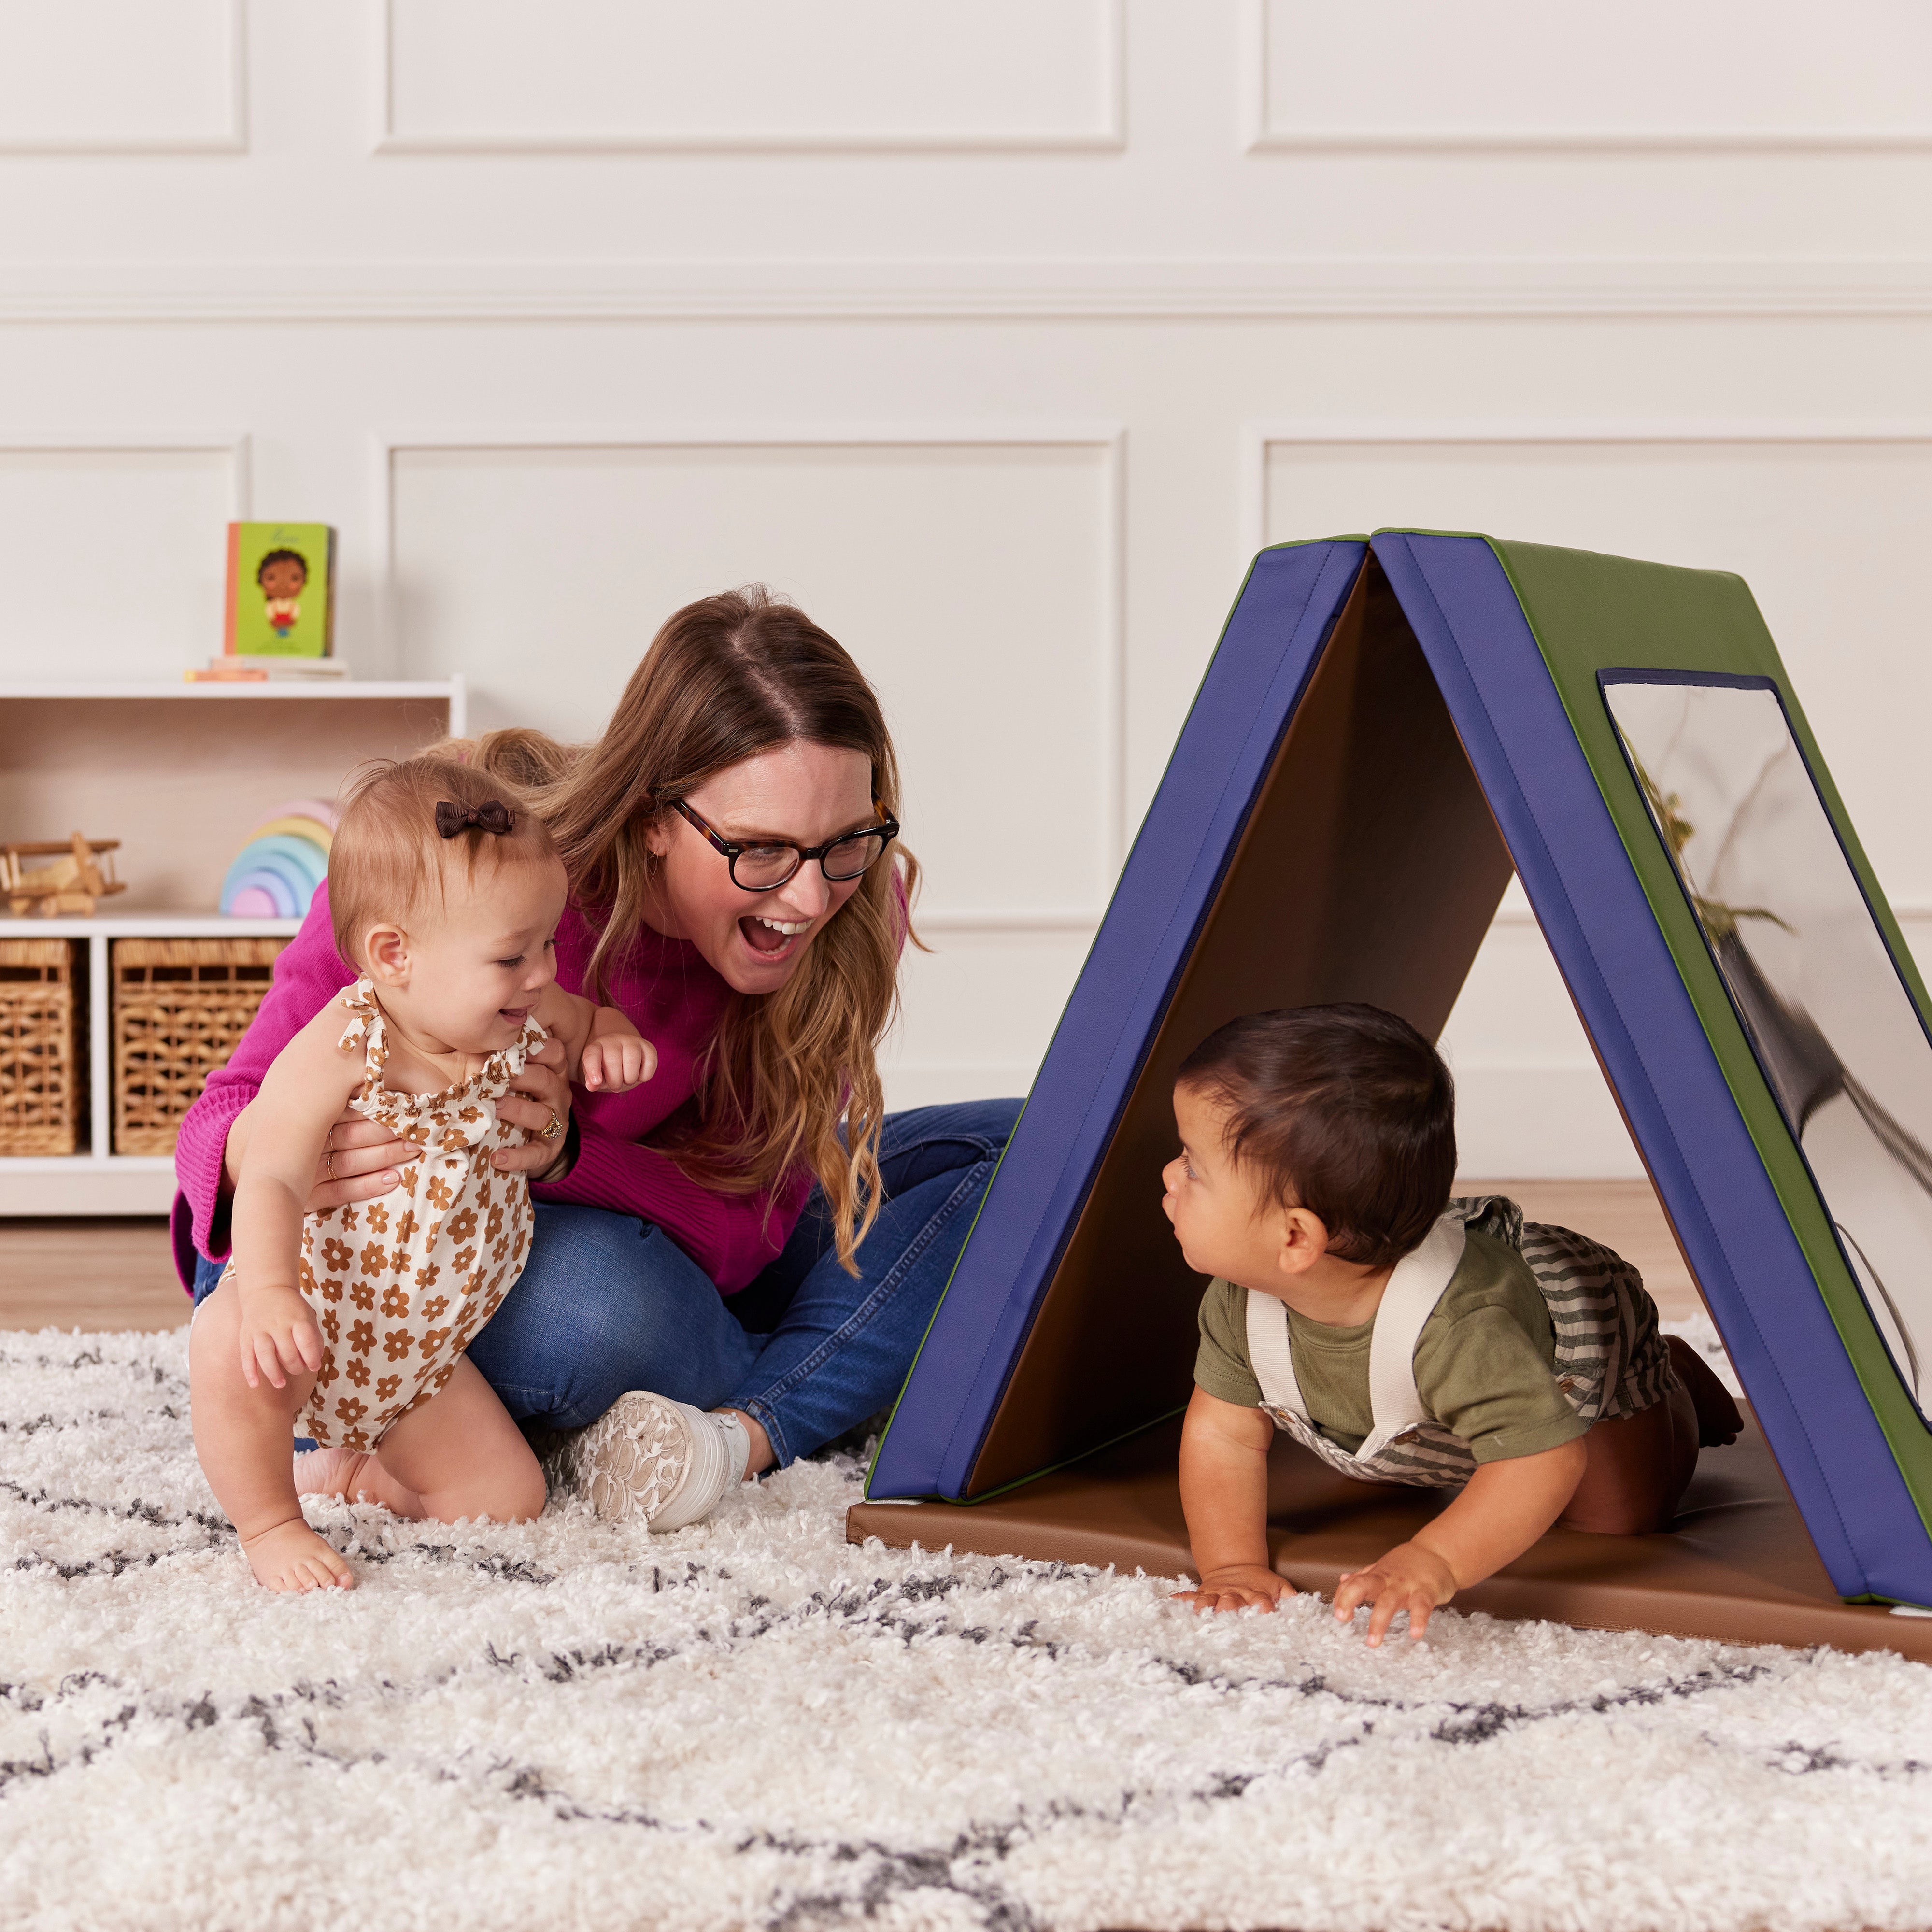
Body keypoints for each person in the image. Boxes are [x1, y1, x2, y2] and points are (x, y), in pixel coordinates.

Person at [173, 585, 1022, 1533]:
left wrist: (570, 1156)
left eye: (845, 842)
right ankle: (817, 1358)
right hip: (354, 1266)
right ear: (654, 815)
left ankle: (739, 1429)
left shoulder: (848, 909)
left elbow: (748, 1232)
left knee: (1035, 1147)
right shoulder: (472, 852)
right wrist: (285, 1156)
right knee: (602, 1307)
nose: (810, 898)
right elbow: (216, 1127)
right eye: (760, 850)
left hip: (639, 1227)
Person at [190, 756, 652, 1591]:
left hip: (423, 1355)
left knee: (508, 1500)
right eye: (512, 957)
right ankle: (271, 1523)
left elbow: (585, 1019)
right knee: (230, 1357)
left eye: (549, 944)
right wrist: (269, 1294)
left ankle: (354, 1475)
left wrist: (611, 1038)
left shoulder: (523, 1012)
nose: (544, 973)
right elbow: (272, 1177)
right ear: (394, 954)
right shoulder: (347, 1041)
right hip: (311, 1315)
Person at [1162, 1003, 1741, 1645]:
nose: (1168, 1175)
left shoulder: (1462, 1327)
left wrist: (1434, 1560)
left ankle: (1670, 1372)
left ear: (1296, 1237)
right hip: (1444, 1394)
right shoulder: (1242, 1301)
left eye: (1192, 1166)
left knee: (1617, 1523)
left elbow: (1544, 1460)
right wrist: (1233, 1566)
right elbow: (1223, 1434)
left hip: (1579, 1353)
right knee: (1420, 1458)